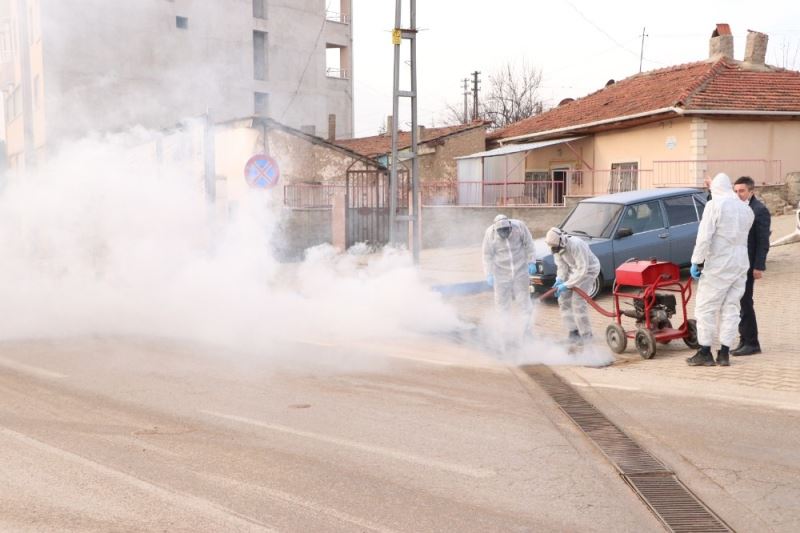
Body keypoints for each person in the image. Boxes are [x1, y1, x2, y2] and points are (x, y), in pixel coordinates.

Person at [687, 173, 754, 367]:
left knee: (705, 308)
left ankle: (705, 351)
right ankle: (724, 353)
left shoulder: (714, 206)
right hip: (741, 263)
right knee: (732, 308)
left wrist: (696, 261)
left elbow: (704, 237)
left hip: (719, 264)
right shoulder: (746, 209)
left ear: (714, 190)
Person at [731, 176, 771, 356]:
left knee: (746, 302)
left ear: (751, 191)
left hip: (749, 264)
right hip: (737, 263)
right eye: (736, 191)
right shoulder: (736, 208)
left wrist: (758, 266)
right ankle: (744, 339)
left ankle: (753, 343)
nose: (738, 194)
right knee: (739, 302)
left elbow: (763, 241)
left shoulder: (759, 210)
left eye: (742, 191)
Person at [544, 227, 601, 347]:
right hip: (573, 271)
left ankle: (586, 335)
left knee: (577, 302)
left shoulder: (576, 244)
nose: (554, 250)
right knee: (563, 299)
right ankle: (574, 333)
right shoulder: (555, 247)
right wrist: (559, 280)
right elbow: (562, 267)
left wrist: (566, 284)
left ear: (561, 240)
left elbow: (582, 269)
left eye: (556, 247)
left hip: (588, 271)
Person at [482, 214, 536, 314]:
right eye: (501, 231)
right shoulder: (490, 233)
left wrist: (531, 261)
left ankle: (527, 326)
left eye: (506, 230)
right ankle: (504, 327)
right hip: (500, 273)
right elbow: (487, 255)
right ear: (496, 229)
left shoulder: (519, 227)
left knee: (524, 300)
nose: (504, 233)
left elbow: (529, 244)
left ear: (510, 226)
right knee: (501, 303)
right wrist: (488, 273)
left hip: (520, 271)